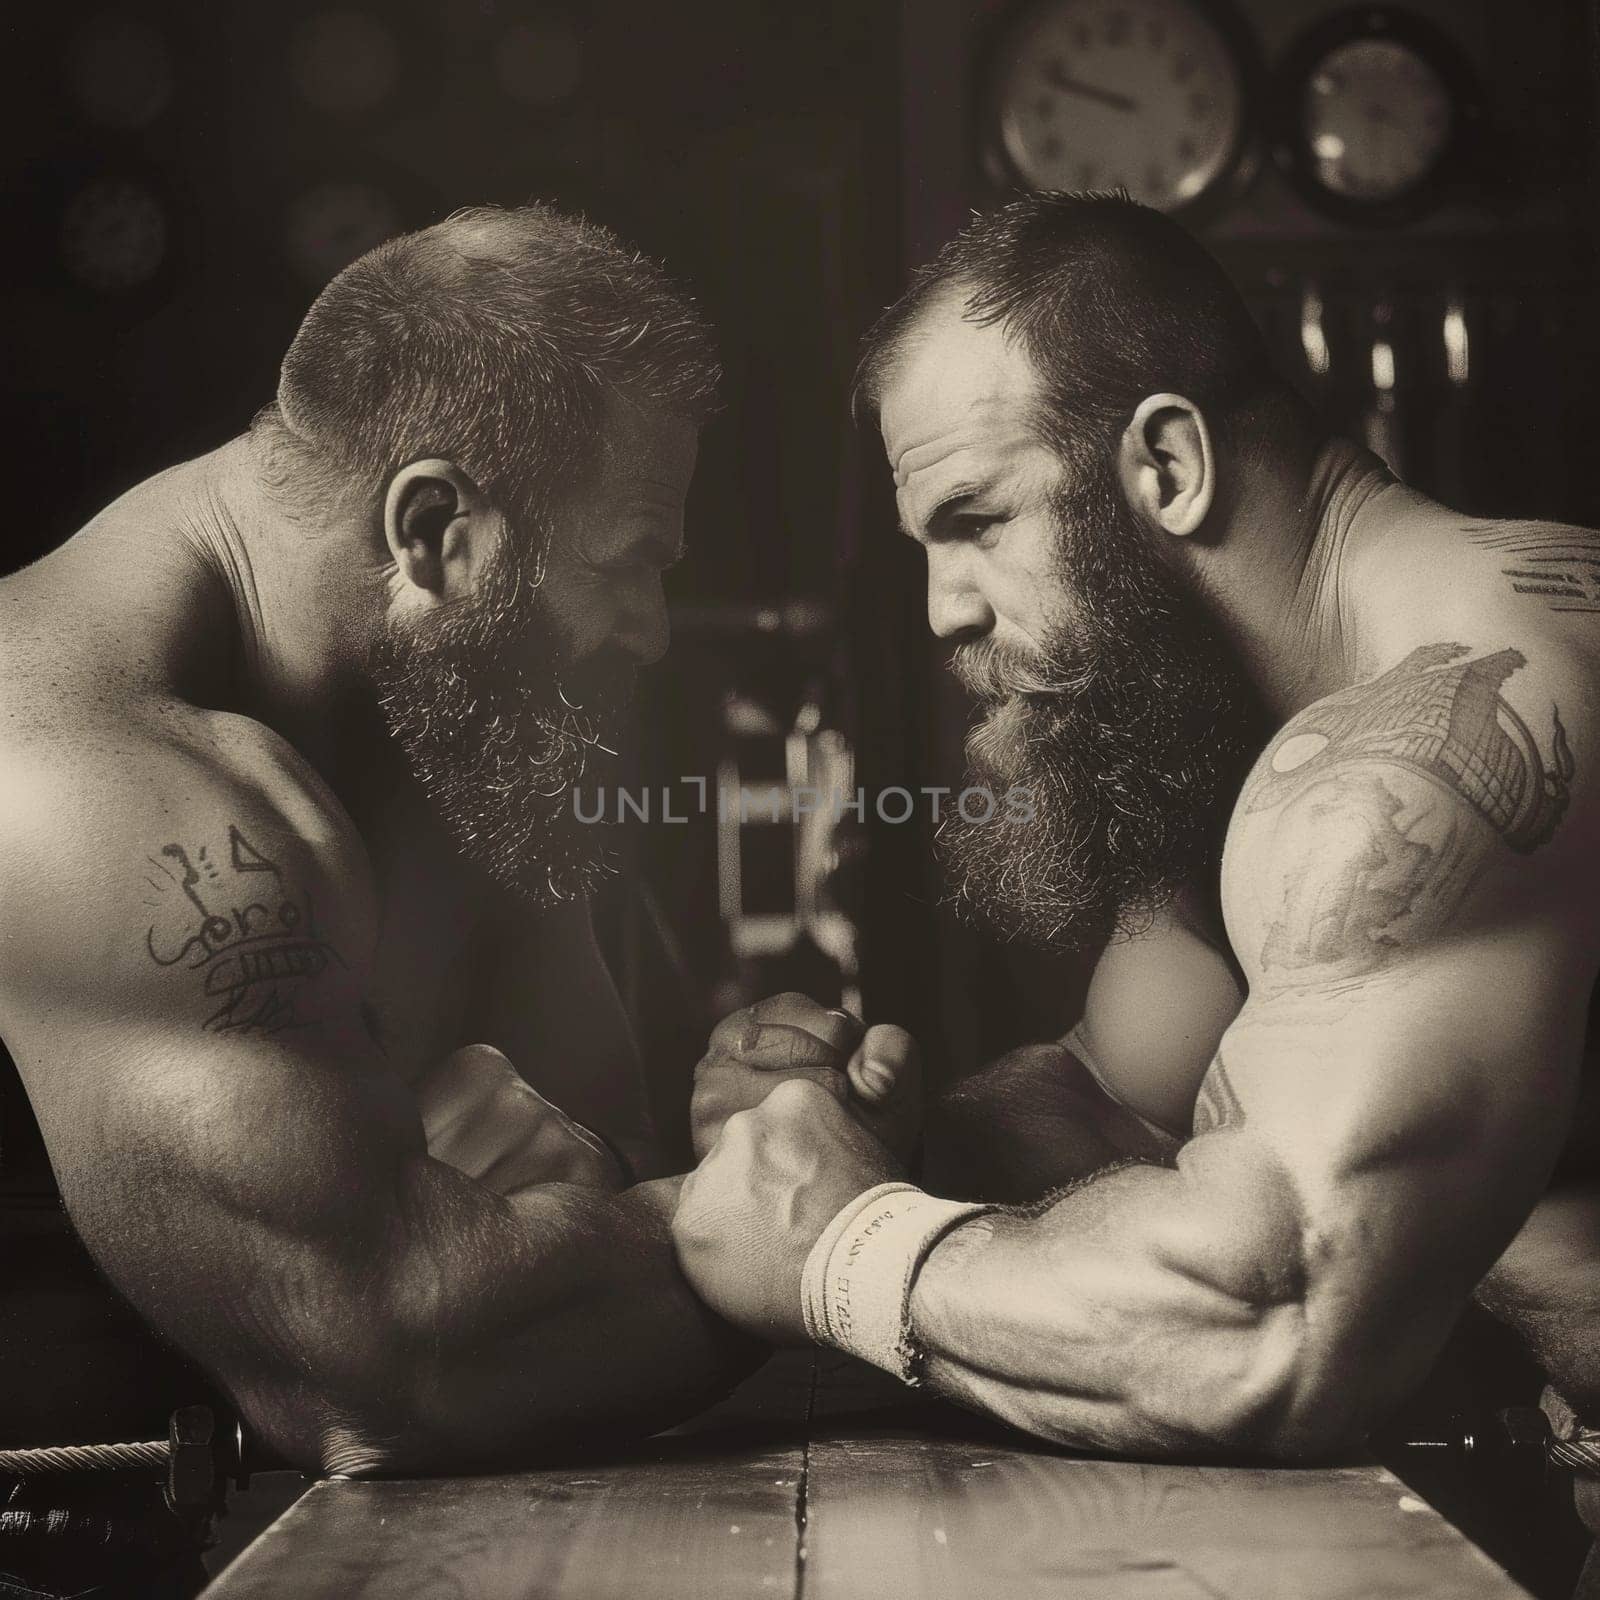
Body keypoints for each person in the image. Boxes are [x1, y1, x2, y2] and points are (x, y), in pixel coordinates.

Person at [673, 192, 1600, 1478]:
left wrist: (844, 1248)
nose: (943, 612)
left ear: (1167, 466)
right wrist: (861, 1132)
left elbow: (1275, 1327)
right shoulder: (1249, 728)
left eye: (977, 521)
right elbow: (1112, 1097)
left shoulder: (1413, 754)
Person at [0, 203, 759, 1484]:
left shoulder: (449, 727)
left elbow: (617, 1157)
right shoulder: (73, 771)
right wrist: (823, 1230)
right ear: (430, 534)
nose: (653, 627)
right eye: (629, 563)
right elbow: (401, 1360)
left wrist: (650, 1187)